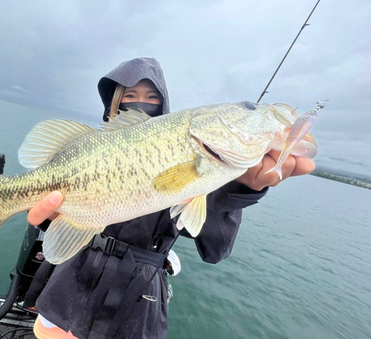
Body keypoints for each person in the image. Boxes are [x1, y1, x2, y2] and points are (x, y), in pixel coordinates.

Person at [27, 57, 315, 339]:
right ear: (114, 101)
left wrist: (240, 192)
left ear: (164, 102)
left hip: (134, 312)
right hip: (67, 296)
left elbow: (215, 250)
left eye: (152, 97)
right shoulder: (88, 153)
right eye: (130, 95)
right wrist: (52, 222)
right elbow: (59, 227)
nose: (141, 103)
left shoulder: (204, 166)